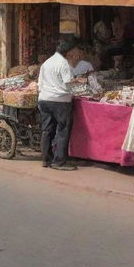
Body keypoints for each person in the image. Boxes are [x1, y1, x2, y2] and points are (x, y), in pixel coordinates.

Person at [37, 36, 86, 170]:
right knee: (63, 130)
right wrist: (78, 80)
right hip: (60, 101)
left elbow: (40, 83)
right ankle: (59, 161)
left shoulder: (47, 63)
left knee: (47, 130)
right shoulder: (64, 64)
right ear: (68, 52)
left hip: (44, 99)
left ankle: (45, 159)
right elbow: (68, 82)